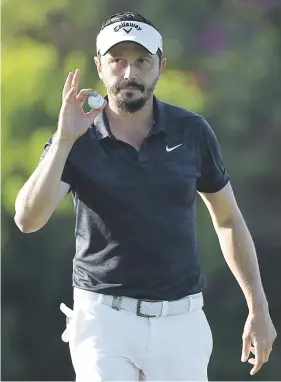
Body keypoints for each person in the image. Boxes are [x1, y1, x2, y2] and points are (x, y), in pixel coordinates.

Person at [14, 11, 276, 382]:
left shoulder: (192, 131)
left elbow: (228, 219)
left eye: (141, 61)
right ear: (99, 67)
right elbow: (27, 220)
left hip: (181, 321)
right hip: (103, 319)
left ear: (160, 67)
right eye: (117, 61)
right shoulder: (76, 138)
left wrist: (258, 307)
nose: (129, 73)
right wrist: (63, 141)